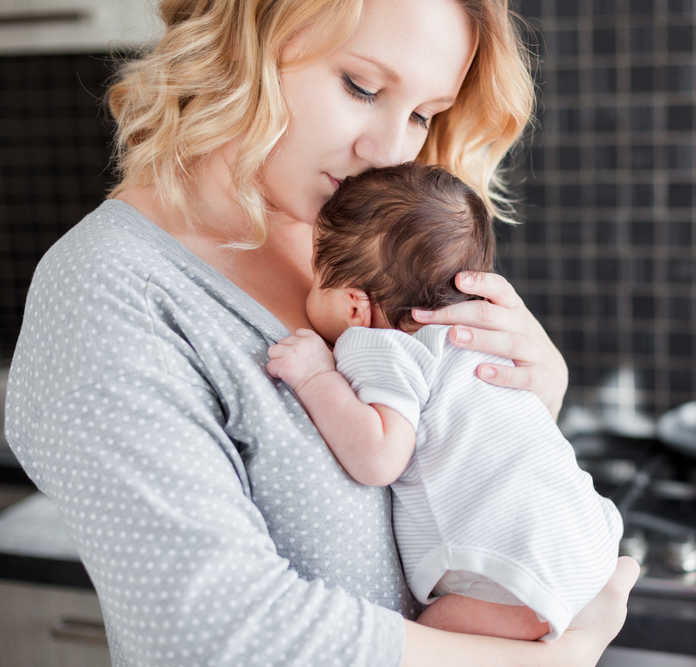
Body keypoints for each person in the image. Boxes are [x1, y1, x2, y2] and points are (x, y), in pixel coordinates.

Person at [4, 0, 639, 665]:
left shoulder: (366, 249)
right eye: (361, 86)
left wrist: (533, 398)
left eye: (423, 114)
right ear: (244, 38)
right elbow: (209, 631)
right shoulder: (108, 288)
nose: (391, 150)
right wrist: (548, 659)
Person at [266, 162, 623, 642]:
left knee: (428, 637)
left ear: (356, 304)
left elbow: (378, 456)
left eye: (315, 279)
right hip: (583, 538)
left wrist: (314, 376)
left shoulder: (381, 344)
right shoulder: (477, 337)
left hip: (510, 576)